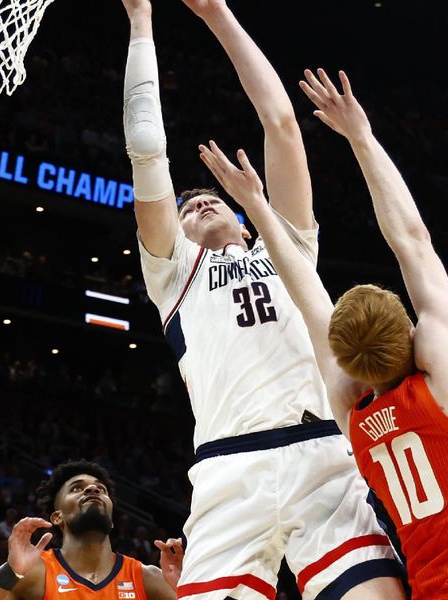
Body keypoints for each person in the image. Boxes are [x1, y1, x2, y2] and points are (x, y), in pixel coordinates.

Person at [197, 68, 448, 598]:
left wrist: (260, 207)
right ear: (411, 330)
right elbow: (413, 241)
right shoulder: (445, 380)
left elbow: (309, 299)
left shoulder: (352, 415)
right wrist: (361, 136)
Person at [121, 0, 404, 597]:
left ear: (248, 220)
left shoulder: (285, 247)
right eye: (185, 206)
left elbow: (281, 124)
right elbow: (147, 150)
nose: (196, 202)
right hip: (228, 472)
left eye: (208, 198)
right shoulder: (173, 278)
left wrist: (218, 14)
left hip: (323, 457)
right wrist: (142, 21)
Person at [0, 460, 180, 600]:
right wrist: (12, 572)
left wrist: (185, 588)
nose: (93, 488)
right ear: (57, 517)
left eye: (101, 489)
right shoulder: (35, 572)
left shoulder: (146, 577)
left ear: (111, 520)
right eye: (77, 488)